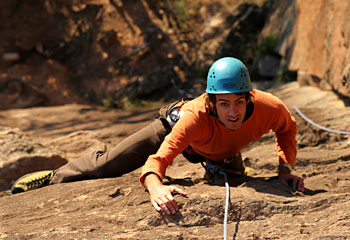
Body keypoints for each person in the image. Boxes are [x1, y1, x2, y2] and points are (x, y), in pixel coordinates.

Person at [11, 57, 305, 215]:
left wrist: (285, 168)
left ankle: (217, 163)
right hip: (172, 130)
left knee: (236, 179)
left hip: (219, 149)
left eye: (238, 102)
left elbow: (288, 129)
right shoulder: (194, 117)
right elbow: (155, 162)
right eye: (224, 104)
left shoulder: (269, 107)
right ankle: (54, 176)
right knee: (107, 165)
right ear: (211, 101)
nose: (232, 112)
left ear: (249, 97)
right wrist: (155, 188)